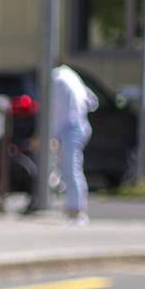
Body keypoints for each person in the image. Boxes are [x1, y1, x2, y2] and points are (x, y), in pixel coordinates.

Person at [49, 62, 98, 223]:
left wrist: (51, 131)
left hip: (68, 128)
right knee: (67, 168)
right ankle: (72, 208)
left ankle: (76, 211)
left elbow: (52, 108)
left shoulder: (56, 78)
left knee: (70, 169)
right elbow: (93, 101)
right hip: (80, 125)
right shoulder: (71, 75)